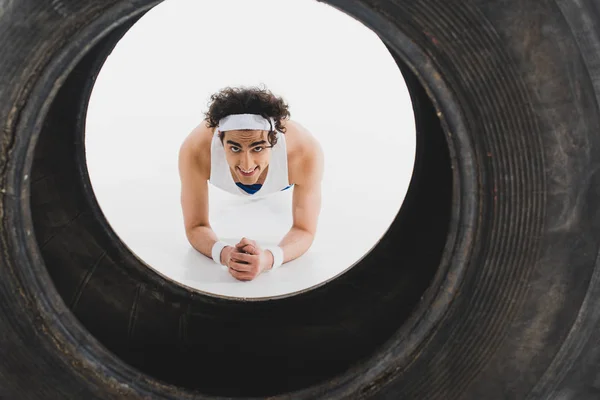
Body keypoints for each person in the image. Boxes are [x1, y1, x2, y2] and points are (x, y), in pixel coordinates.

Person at [178, 85, 324, 282]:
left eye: (258, 148)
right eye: (235, 148)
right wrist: (226, 254)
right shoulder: (195, 151)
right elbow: (195, 225)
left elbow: (304, 229)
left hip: (284, 178)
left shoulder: (305, 153)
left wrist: (268, 259)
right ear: (220, 140)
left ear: (274, 140)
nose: (246, 164)